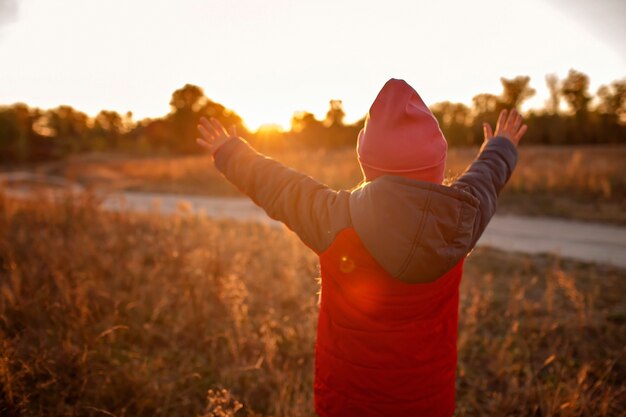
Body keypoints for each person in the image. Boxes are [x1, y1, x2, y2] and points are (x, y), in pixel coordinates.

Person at [196, 78, 526, 417]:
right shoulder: (460, 218)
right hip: (427, 402)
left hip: (347, 403)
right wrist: (500, 145)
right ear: (437, 166)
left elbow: (279, 187)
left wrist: (230, 151)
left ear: (368, 165)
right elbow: (486, 178)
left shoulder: (336, 217)